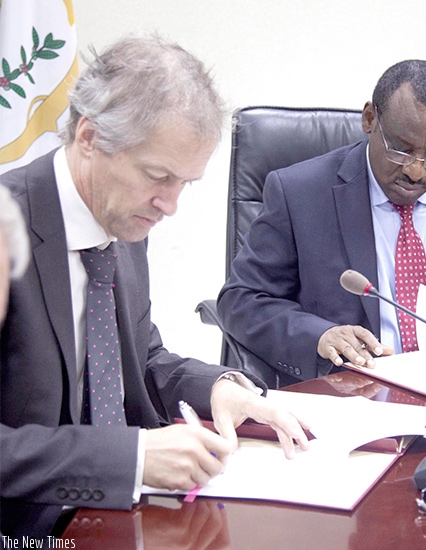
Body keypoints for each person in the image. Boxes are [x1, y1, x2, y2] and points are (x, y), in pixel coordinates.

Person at [0, 35, 310, 538]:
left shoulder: (123, 221)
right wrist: (133, 459)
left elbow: (138, 361)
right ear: (89, 138)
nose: (170, 205)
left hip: (120, 520)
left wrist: (218, 388)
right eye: (157, 175)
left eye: (185, 183)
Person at [217, 59, 426, 385]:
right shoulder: (299, 194)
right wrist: (319, 336)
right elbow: (241, 301)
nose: (416, 170)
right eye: (401, 149)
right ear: (369, 119)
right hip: (352, 397)